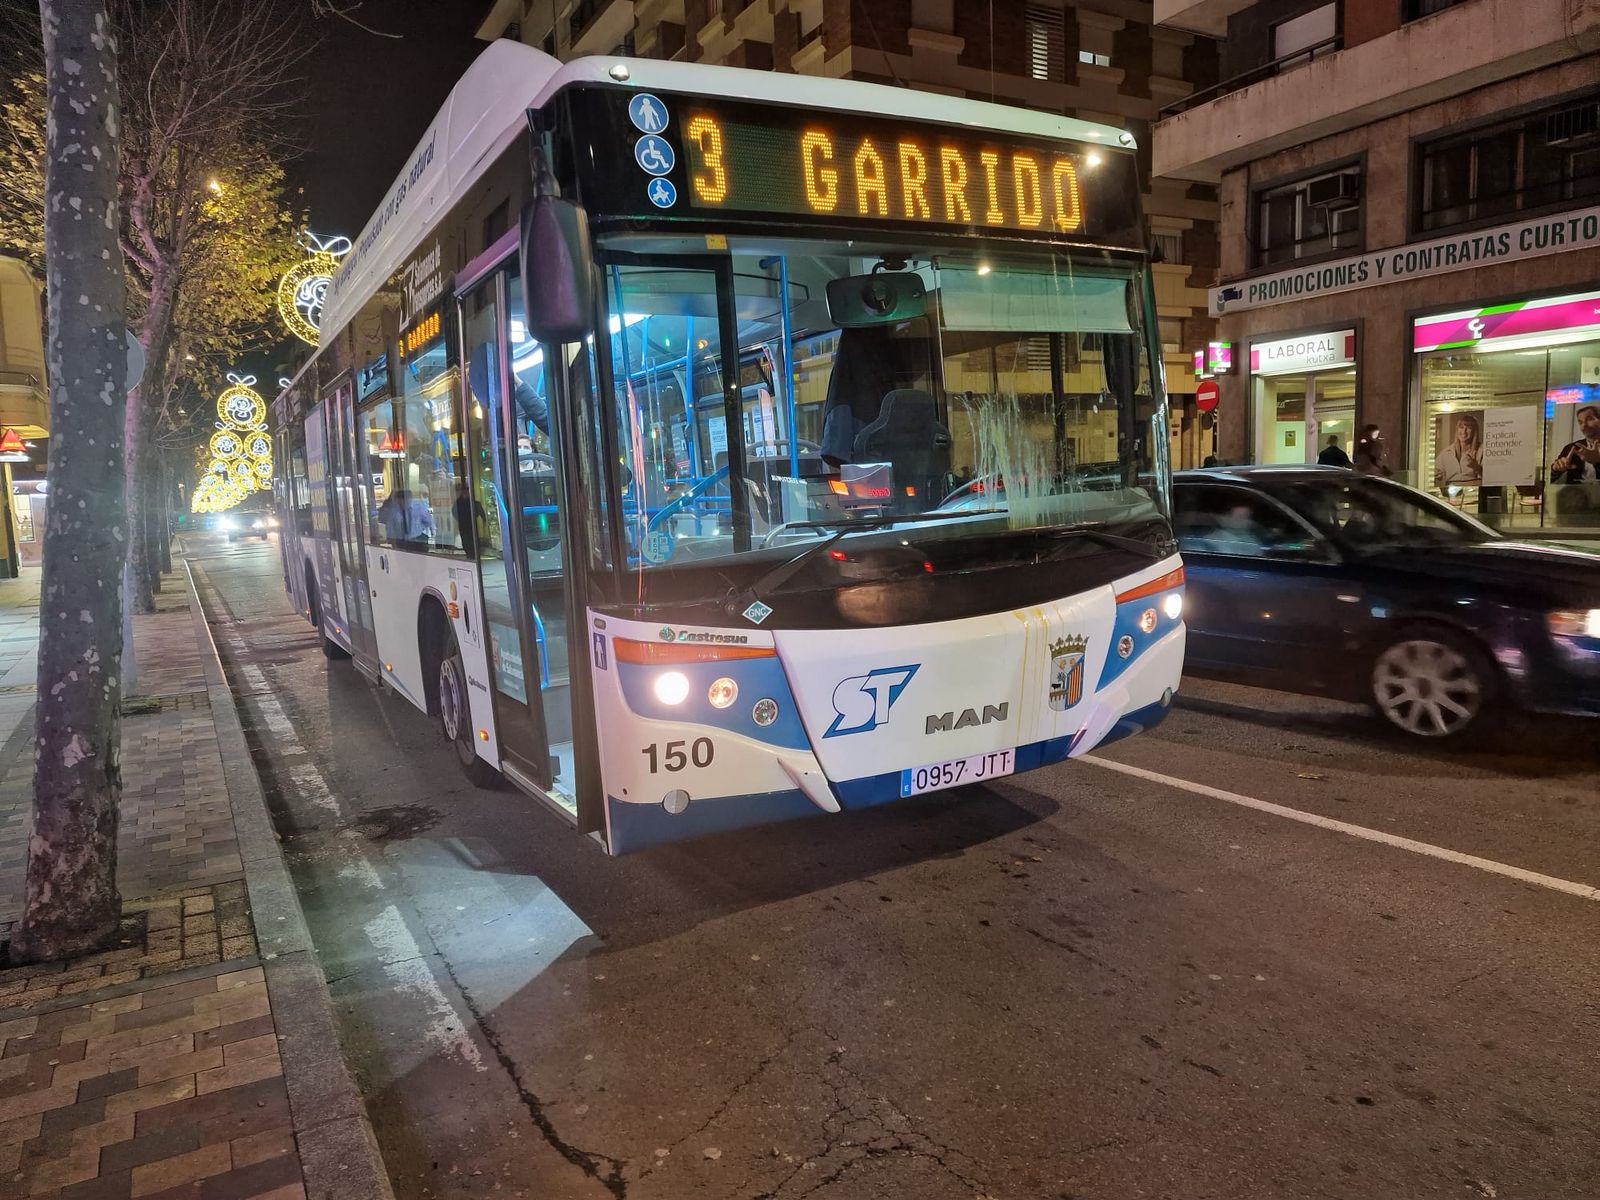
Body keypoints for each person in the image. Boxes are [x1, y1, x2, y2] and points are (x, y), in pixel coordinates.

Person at [1550, 403, 1600, 483]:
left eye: (1589, 419)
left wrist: (1598, 461)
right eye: (1580, 422)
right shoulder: (1571, 448)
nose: (1584, 425)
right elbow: (1550, 479)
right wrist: (1555, 469)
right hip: (1575, 494)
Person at [1433, 413, 1482, 486]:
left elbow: (1491, 477)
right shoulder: (1446, 452)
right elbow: (1435, 472)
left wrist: (1477, 468)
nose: (1464, 431)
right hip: (1452, 493)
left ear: (1474, 431)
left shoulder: (1482, 450)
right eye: (1461, 427)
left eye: (1468, 428)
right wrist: (1437, 474)